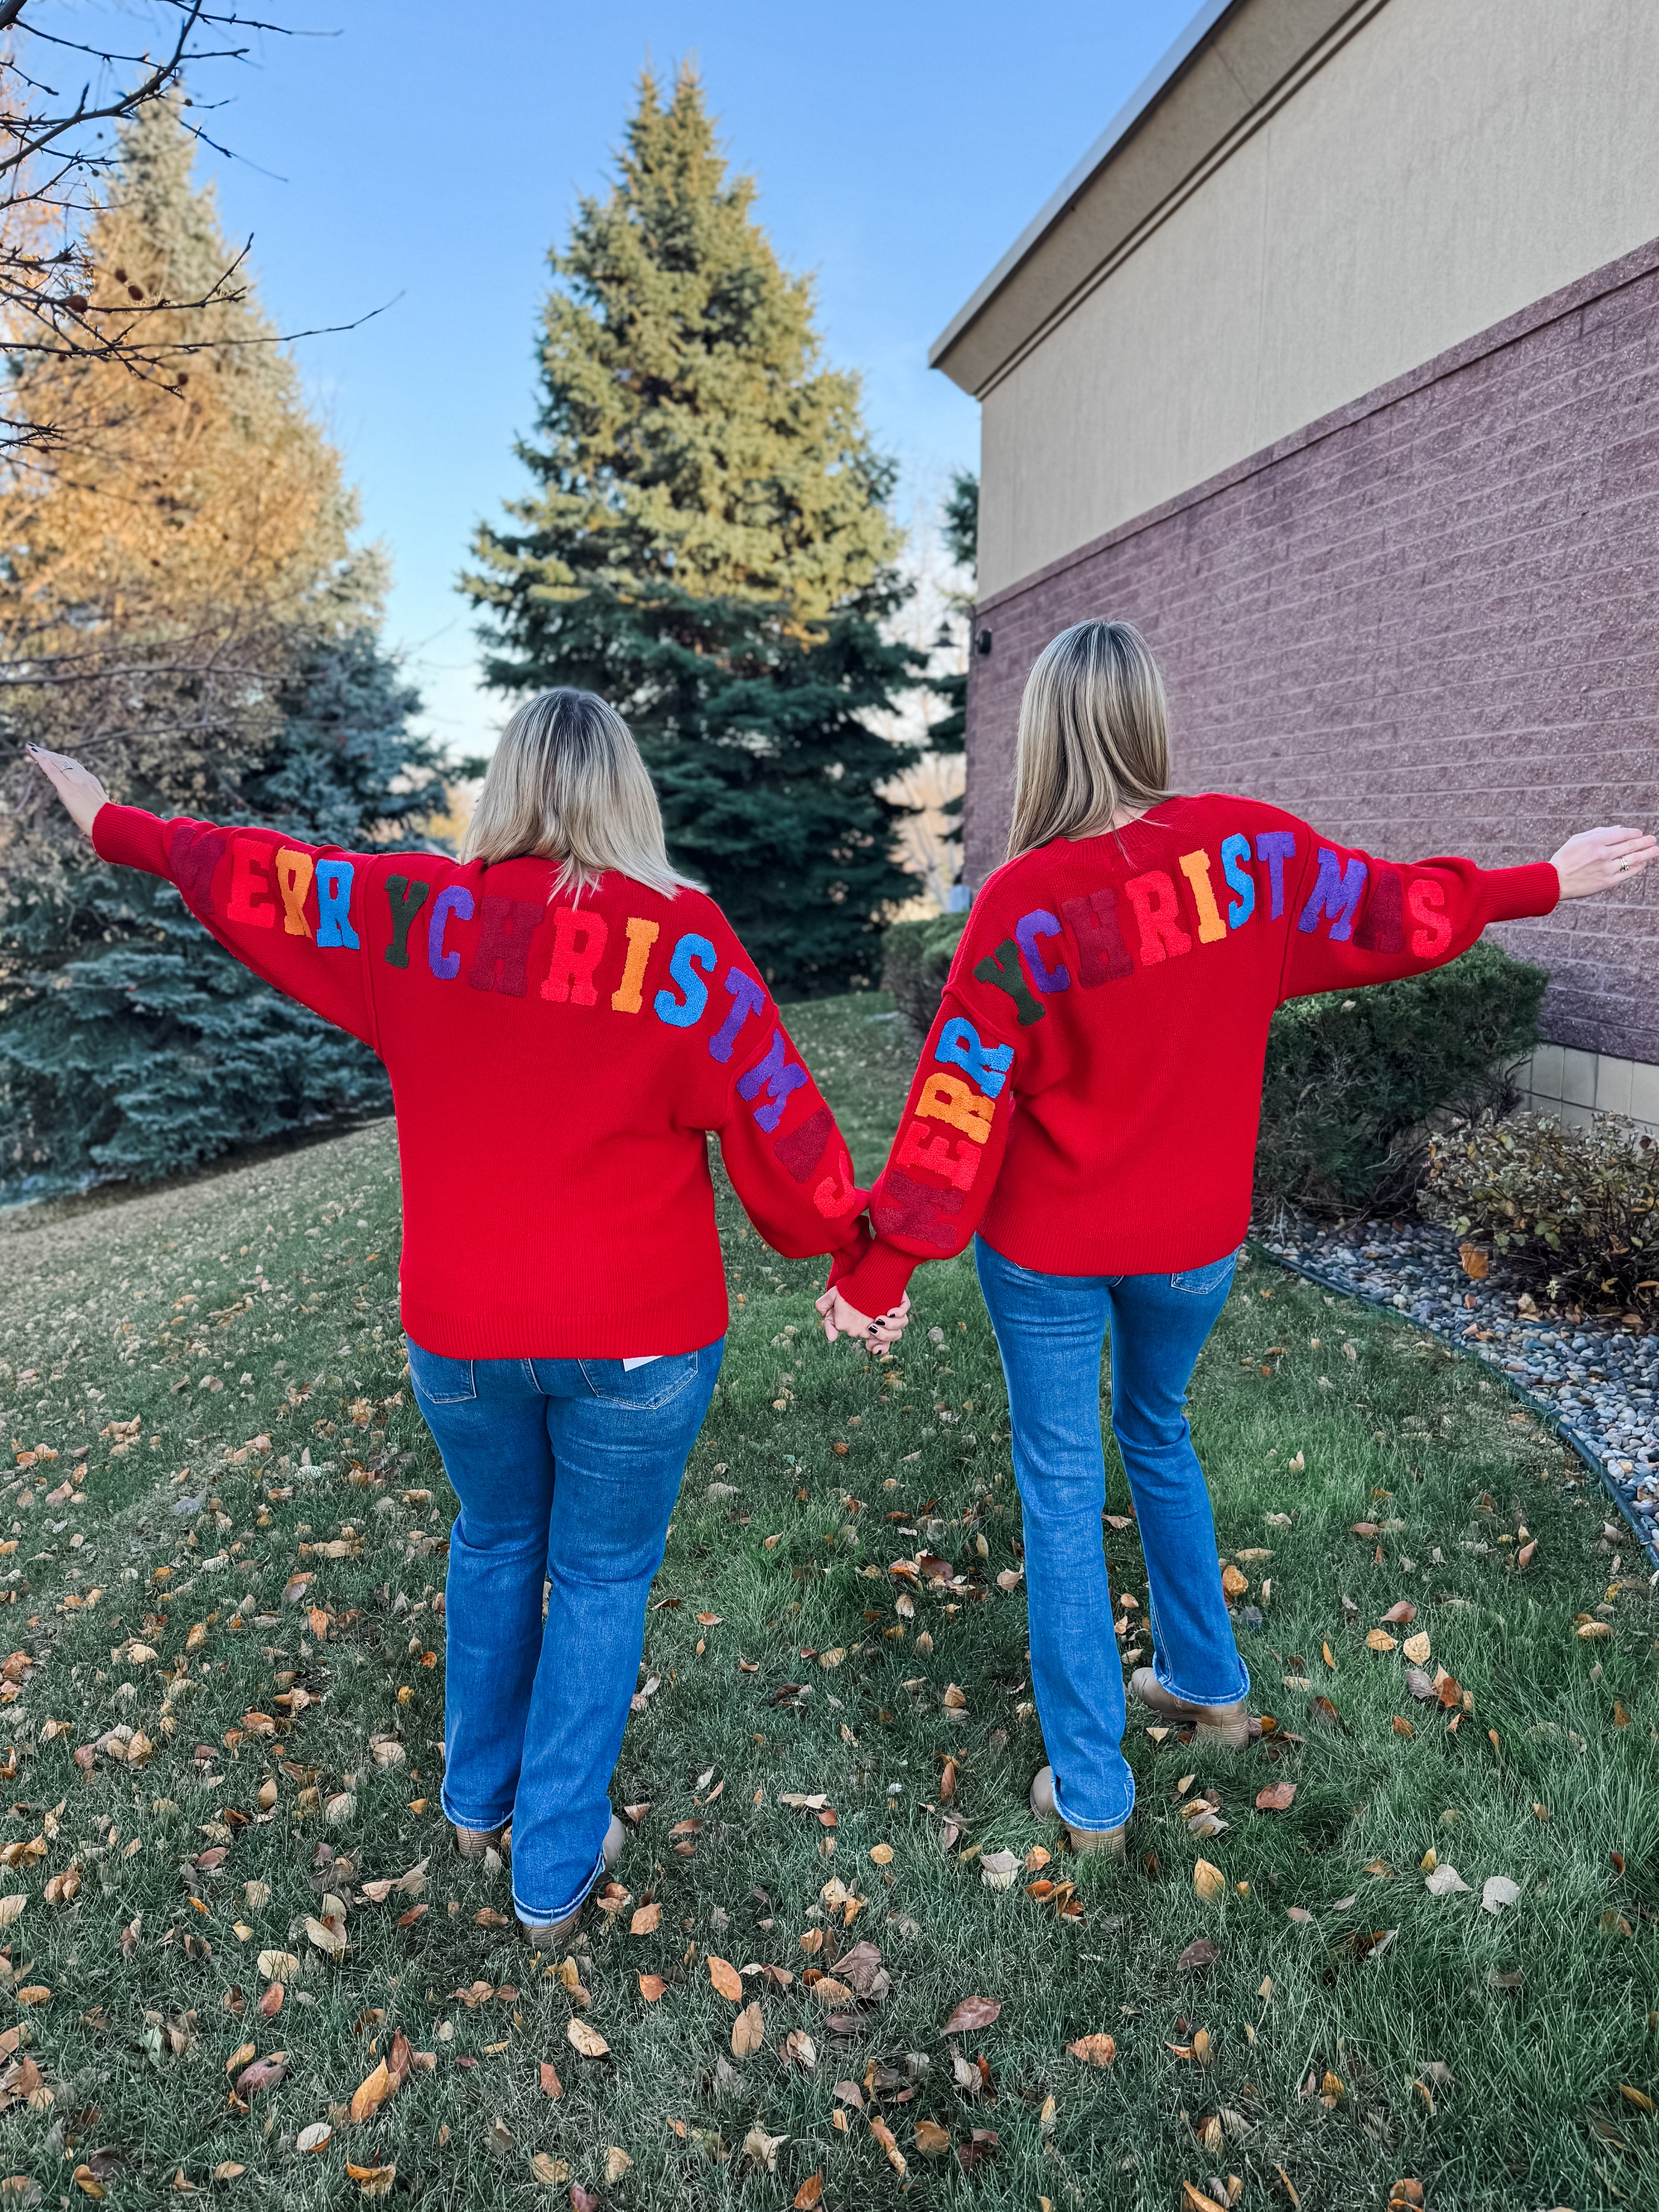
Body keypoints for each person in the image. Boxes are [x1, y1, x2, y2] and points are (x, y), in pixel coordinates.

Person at [30, 691, 903, 1942]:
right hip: (640, 1335)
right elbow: (783, 1113)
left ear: (505, 785)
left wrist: (117, 823)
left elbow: (264, 877)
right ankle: (552, 1867)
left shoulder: (418, 917)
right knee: (599, 1576)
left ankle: (477, 1803)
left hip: (462, 1332)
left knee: (495, 1542)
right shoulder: (686, 942)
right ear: (627, 793)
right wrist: (853, 1257)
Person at [817, 618, 1655, 1858]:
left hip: (1047, 1252)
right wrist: (1546, 878)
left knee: (1062, 1488)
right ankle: (1209, 1689)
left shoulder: (1020, 906)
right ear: (1148, 721)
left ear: (1042, 737)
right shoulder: (1245, 855)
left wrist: (880, 1267)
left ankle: (1092, 1796)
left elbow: (958, 1104)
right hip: (1193, 1246)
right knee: (1156, 1430)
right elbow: (1400, 913)